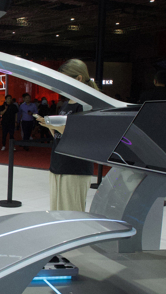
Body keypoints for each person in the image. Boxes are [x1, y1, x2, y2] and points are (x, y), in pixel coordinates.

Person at [36, 59, 97, 212]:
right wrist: (50, 125)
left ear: (79, 78)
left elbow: (80, 135)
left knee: (71, 214)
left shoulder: (86, 104)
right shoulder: (67, 103)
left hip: (75, 168)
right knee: (57, 213)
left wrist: (54, 126)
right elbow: (61, 133)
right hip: (59, 164)